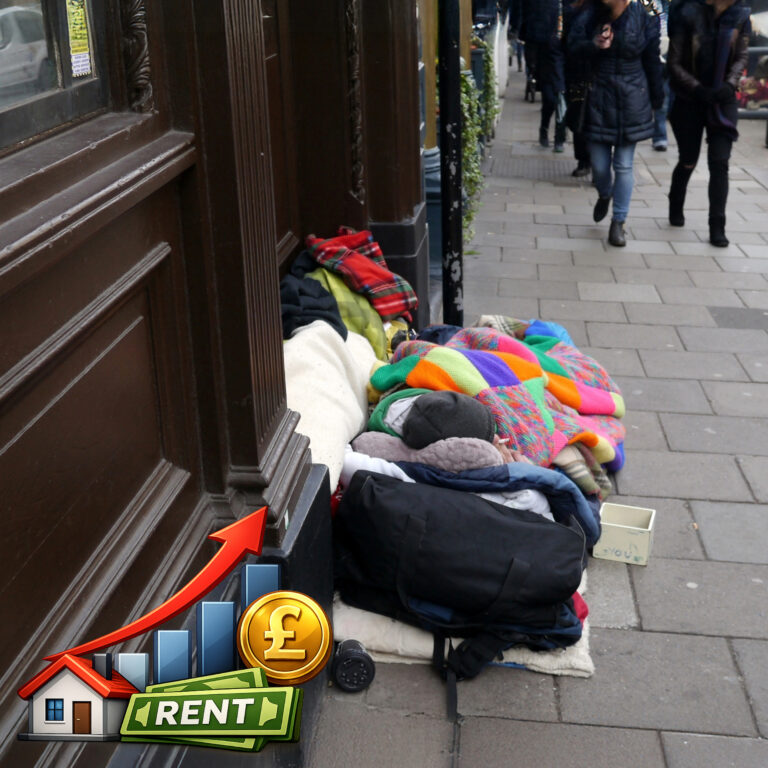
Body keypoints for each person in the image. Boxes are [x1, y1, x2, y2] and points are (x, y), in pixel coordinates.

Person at [568, 0, 664, 246]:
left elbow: (652, 58)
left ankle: (618, 221)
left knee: (623, 165)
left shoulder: (644, 14)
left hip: (632, 95)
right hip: (598, 94)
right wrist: (595, 45)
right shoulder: (589, 14)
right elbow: (571, 48)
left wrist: (657, 96)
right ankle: (604, 193)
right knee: (599, 165)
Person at [666, 0, 751, 247]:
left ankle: (717, 226)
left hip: (723, 99)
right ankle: (675, 200)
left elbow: (742, 56)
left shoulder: (740, 15)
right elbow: (674, 62)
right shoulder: (686, 12)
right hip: (689, 97)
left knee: (720, 162)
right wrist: (698, 89)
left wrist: (729, 84)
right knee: (688, 159)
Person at [520, 0, 567, 151]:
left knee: (562, 101)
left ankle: (559, 138)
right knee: (550, 100)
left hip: (566, 60)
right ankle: (544, 128)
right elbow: (530, 23)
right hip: (547, 58)